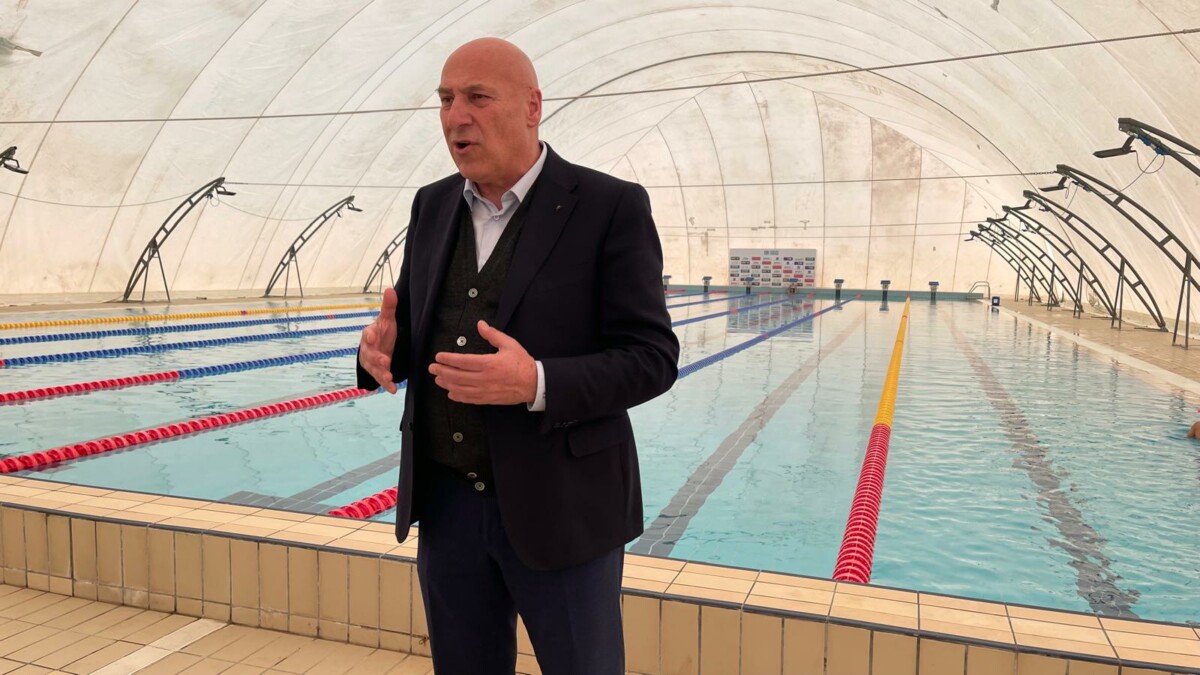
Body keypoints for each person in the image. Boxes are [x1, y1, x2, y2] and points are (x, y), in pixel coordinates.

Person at [355, 37, 679, 675]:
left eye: (477, 97)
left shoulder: (609, 206)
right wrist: (382, 352)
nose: (456, 117)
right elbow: (416, 326)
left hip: (564, 510)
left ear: (533, 107)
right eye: (446, 100)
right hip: (447, 509)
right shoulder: (432, 204)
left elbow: (652, 356)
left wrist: (536, 382)